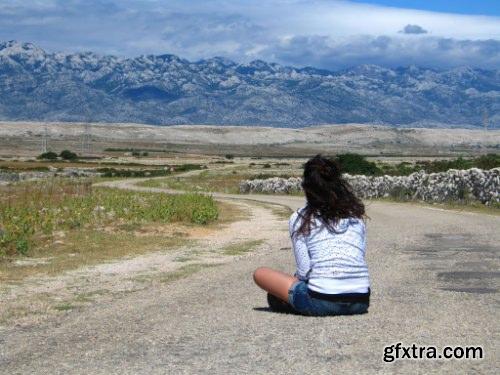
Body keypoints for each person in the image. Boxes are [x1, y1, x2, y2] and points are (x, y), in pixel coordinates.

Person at [253, 154, 371, 316]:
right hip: (360, 301)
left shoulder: (301, 218)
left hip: (321, 300)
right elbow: (359, 255)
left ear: (306, 187)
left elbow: (304, 271)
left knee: (261, 274)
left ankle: (293, 302)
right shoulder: (355, 216)